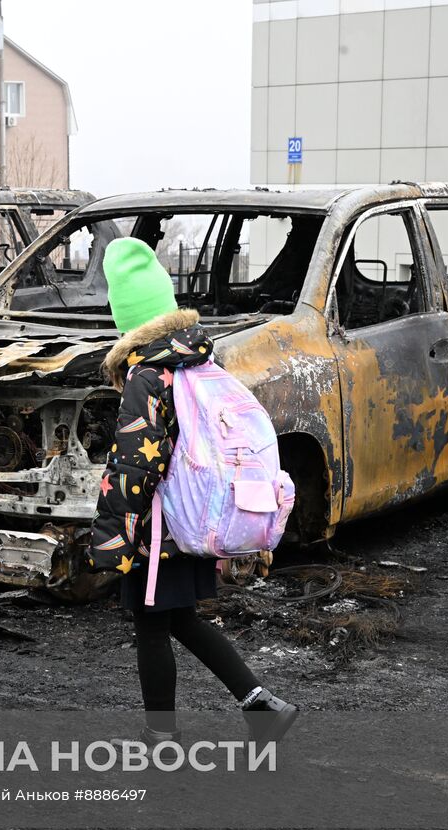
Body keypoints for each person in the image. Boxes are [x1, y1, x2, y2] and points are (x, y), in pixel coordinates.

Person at [91, 237, 297, 747]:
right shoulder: (200, 361)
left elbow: (133, 465)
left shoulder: (147, 375)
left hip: (160, 527)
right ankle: (260, 705)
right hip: (197, 516)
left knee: (152, 623)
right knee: (177, 616)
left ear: (127, 318)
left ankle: (161, 734)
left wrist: (111, 537)